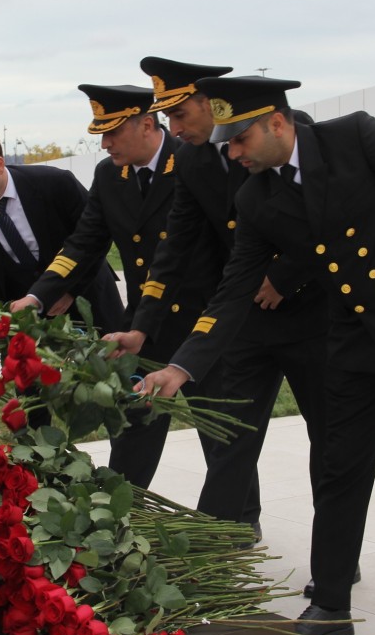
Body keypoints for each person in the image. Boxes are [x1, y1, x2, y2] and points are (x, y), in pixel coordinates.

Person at [135, 76, 375, 635]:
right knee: (340, 467)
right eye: (227, 142)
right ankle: (330, 604)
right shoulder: (255, 196)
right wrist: (182, 366)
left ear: (279, 122)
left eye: (242, 138)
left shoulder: (357, 137)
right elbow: (233, 289)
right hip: (356, 334)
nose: (233, 152)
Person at [112, 56, 328, 546]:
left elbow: (324, 219)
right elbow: (175, 247)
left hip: (310, 312)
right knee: (231, 435)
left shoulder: (291, 132)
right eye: (166, 117)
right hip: (242, 315)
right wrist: (143, 327)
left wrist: (283, 276)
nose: (173, 127)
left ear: (211, 105)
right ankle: (221, 540)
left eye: (181, 114)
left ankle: (335, 548)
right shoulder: (189, 160)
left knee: (329, 439)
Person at [13, 84, 222, 488]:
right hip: (146, 323)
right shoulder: (110, 175)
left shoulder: (193, 162)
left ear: (146, 125)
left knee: (215, 427)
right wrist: (38, 295)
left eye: (112, 133)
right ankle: (122, 514)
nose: (105, 144)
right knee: (136, 425)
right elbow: (83, 243)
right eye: (101, 135)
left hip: (203, 319)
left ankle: (239, 516)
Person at [0, 129, 123, 332]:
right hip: (26, 331)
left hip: (90, 305)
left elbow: (97, 236)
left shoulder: (55, 183)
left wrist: (69, 290)